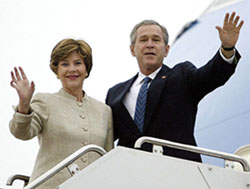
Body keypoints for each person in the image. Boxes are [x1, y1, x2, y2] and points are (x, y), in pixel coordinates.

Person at [106, 12, 244, 162]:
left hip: (178, 170)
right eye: (143, 40)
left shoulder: (181, 76)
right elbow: (103, 134)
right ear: (132, 49)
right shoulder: (115, 93)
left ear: (166, 49)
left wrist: (227, 48)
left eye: (156, 40)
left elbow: (211, 75)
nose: (150, 44)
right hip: (129, 172)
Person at [9, 38, 114, 188]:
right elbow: (21, 132)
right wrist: (24, 104)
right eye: (65, 64)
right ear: (57, 70)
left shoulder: (104, 110)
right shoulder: (45, 101)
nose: (72, 69)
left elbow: (107, 158)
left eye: (78, 63)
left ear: (86, 69)